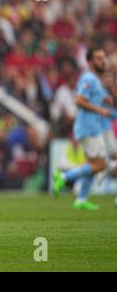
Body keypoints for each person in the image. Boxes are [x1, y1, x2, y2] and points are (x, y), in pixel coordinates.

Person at [53, 47, 111, 210]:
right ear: (90, 62)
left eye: (104, 57)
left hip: (94, 128)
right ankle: (64, 176)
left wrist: (104, 101)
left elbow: (92, 100)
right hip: (88, 128)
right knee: (100, 165)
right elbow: (79, 100)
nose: (103, 61)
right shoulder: (88, 78)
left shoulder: (96, 80)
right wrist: (100, 110)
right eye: (99, 58)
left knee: (92, 164)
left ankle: (81, 199)